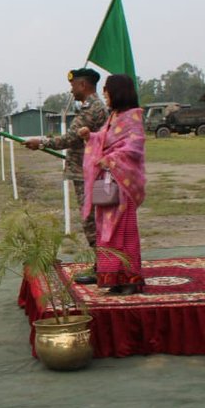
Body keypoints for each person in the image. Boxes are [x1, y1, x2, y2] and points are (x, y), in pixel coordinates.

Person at [25, 67, 109, 283]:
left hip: (88, 174)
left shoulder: (93, 108)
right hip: (84, 172)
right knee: (91, 221)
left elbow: (71, 138)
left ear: (83, 85)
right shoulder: (90, 107)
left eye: (73, 85)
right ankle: (104, 265)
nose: (71, 90)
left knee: (91, 222)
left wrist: (42, 142)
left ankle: (105, 267)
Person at [78, 74, 146, 295]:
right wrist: (91, 136)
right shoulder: (113, 116)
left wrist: (110, 159)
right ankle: (114, 278)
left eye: (107, 92)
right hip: (108, 183)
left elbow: (134, 147)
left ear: (117, 92)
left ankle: (130, 279)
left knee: (122, 232)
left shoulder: (132, 117)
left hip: (122, 184)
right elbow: (105, 139)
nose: (105, 96)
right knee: (105, 231)